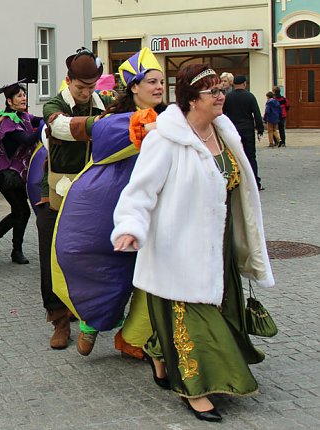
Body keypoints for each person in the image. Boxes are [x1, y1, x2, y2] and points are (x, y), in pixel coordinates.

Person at [112, 64, 274, 422]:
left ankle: (157, 350)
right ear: (190, 98)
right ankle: (197, 390)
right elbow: (139, 193)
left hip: (219, 248)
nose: (220, 97)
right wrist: (129, 227)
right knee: (196, 324)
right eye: (212, 91)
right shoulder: (164, 139)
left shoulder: (224, 131)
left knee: (221, 313)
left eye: (221, 90)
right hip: (179, 250)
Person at [51, 47, 165, 358]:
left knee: (149, 275)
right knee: (109, 268)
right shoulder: (117, 119)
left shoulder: (167, 118)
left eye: (161, 82)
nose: (158, 87)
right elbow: (101, 132)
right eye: (151, 81)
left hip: (157, 206)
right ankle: (91, 323)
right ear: (134, 87)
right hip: (112, 204)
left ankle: (135, 337)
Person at [40, 47, 113, 350]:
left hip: (94, 191)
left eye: (91, 87)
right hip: (55, 191)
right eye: (80, 87)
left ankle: (87, 315)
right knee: (51, 253)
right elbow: (61, 127)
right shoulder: (54, 104)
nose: (85, 93)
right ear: (68, 81)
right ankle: (58, 319)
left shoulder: (104, 103)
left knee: (90, 254)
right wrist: (106, 124)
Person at [0, 80, 42, 265]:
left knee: (20, 211)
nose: (24, 98)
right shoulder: (8, 122)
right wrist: (45, 129)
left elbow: (37, 119)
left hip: (17, 174)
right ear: (9, 101)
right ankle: (13, 249)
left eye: (24, 95)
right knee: (21, 211)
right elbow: (27, 139)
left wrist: (52, 118)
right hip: (6, 175)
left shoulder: (22, 116)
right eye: (19, 96)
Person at [222, 75, 264, 190]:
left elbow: (222, 114)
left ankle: (237, 181)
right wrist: (260, 129)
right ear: (245, 84)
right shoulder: (250, 96)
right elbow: (256, 114)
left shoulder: (228, 97)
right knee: (250, 156)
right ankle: (255, 182)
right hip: (247, 130)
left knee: (234, 156)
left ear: (233, 84)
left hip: (233, 130)